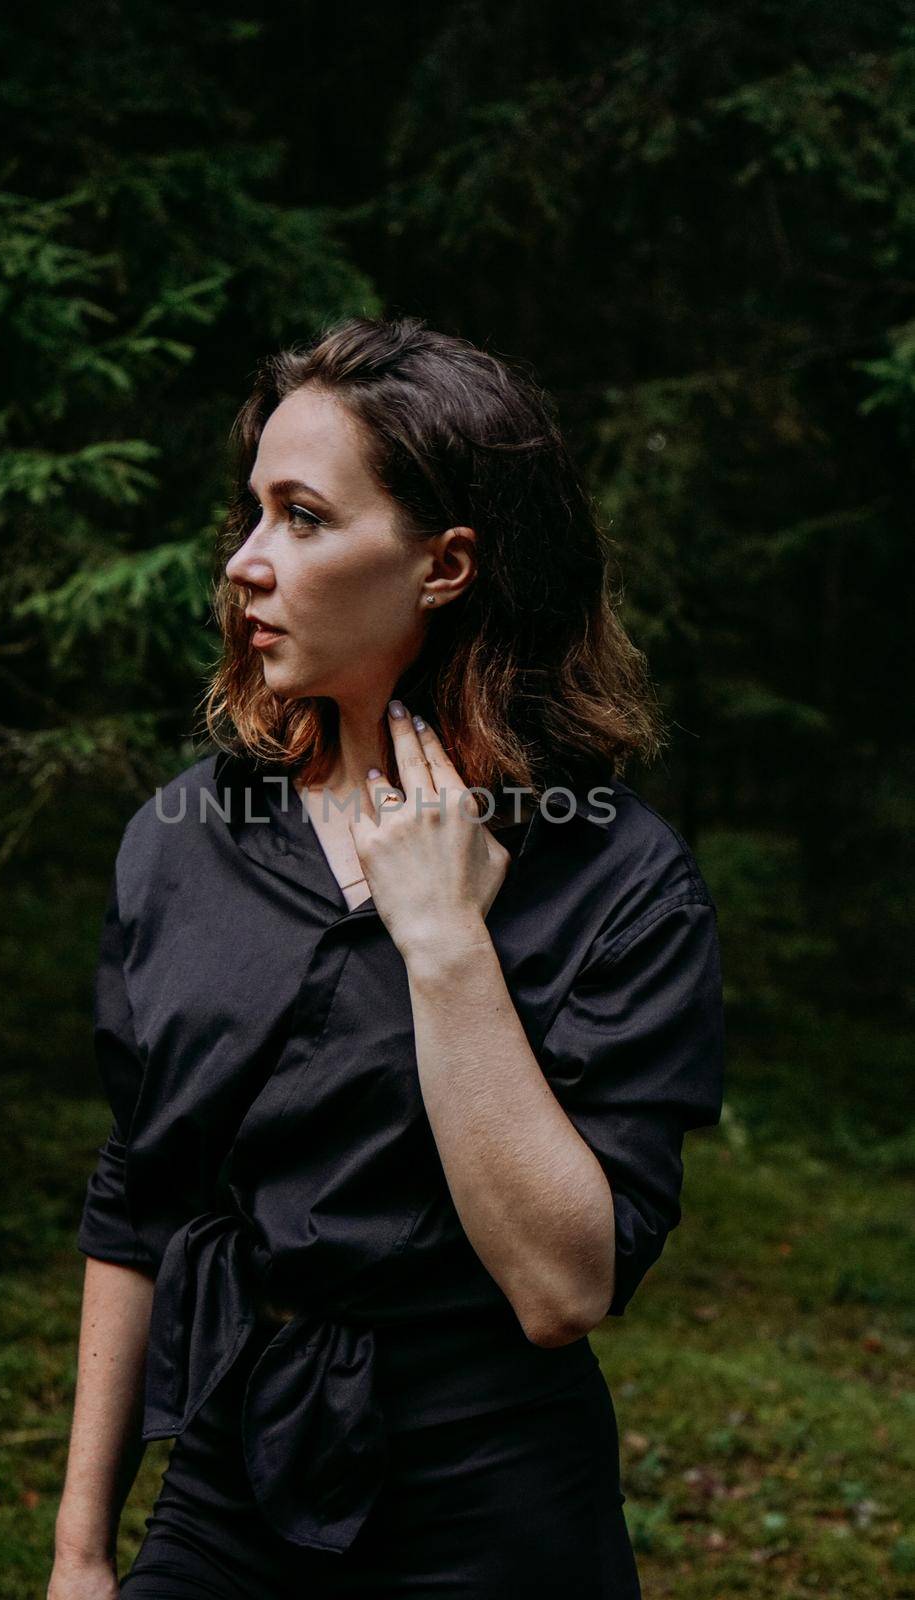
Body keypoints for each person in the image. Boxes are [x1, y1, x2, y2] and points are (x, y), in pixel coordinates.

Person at [47, 316, 725, 1599]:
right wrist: (83, 1547)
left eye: (301, 517)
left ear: (443, 565)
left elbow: (562, 1284)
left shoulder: (616, 878)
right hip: (229, 1462)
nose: (244, 563)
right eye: (250, 514)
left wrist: (446, 943)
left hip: (489, 1498)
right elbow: (137, 1192)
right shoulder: (184, 841)